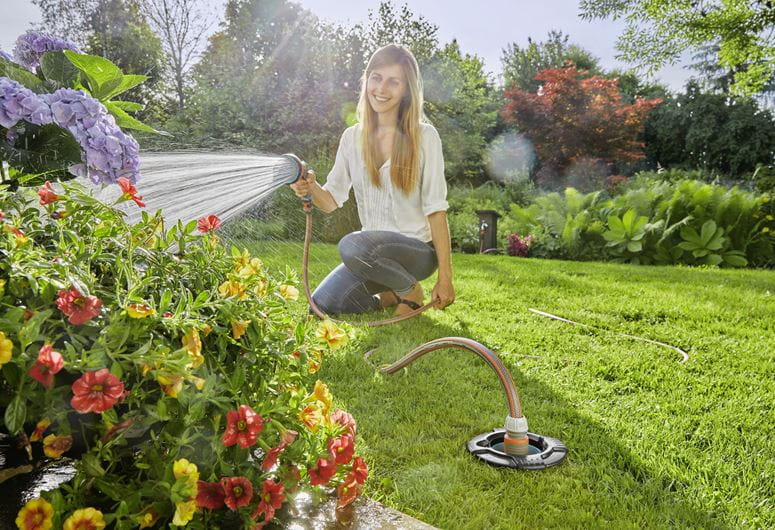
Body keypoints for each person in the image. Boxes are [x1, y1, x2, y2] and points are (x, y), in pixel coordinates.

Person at [290, 44, 454, 317]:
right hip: (369, 257)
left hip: (416, 253)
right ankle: (388, 297)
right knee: (320, 307)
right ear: (366, 81)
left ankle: (409, 289)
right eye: (376, 78)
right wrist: (309, 187)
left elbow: (436, 211)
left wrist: (446, 278)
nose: (381, 88)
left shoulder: (425, 137)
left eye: (394, 82)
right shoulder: (352, 138)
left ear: (406, 90)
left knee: (353, 245)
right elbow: (331, 201)